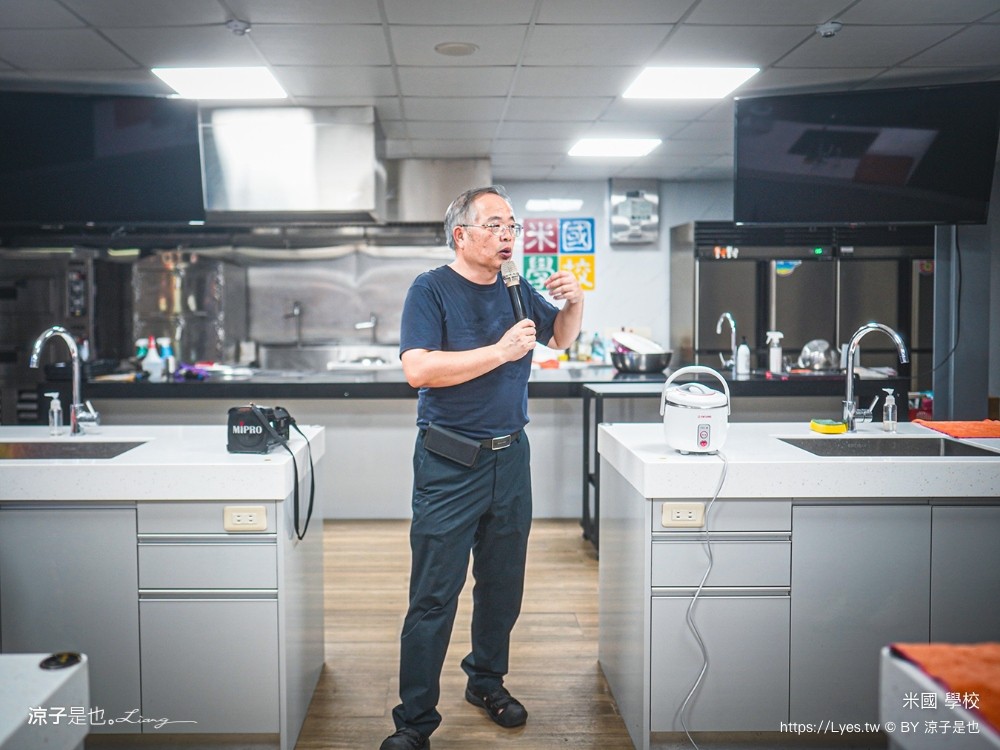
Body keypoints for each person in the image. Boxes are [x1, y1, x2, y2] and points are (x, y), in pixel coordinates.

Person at [380, 185, 584, 750]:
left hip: (510, 458)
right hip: (449, 461)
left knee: (502, 587)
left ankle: (486, 682)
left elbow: (559, 340)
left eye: (512, 227)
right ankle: (414, 721)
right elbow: (418, 370)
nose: (507, 236)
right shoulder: (430, 289)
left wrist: (574, 303)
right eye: (494, 225)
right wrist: (499, 351)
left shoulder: (516, 288)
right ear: (461, 235)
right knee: (434, 595)